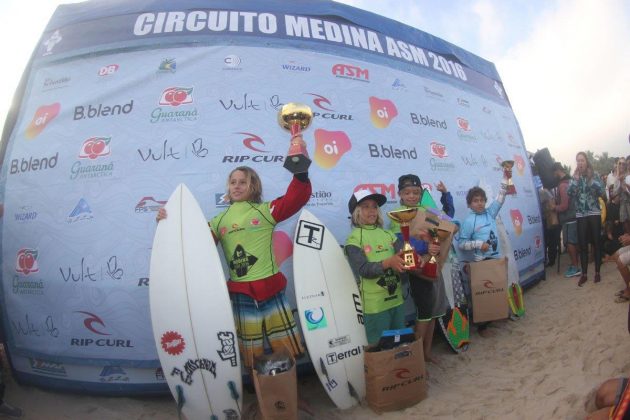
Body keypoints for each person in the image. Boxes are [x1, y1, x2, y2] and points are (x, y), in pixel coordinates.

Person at [157, 162, 312, 370]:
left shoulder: (266, 211)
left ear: (253, 187)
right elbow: (191, 244)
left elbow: (296, 198)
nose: (237, 186)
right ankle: (263, 398)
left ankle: (289, 397)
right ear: (228, 187)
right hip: (242, 296)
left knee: (287, 350)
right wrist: (167, 223)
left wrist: (300, 172)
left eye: (242, 182)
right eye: (233, 182)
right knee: (252, 355)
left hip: (272, 291)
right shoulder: (218, 221)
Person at [389, 174, 452, 363]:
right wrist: (427, 246)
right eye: (407, 192)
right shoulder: (397, 214)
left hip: (435, 266)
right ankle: (417, 358)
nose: (412, 196)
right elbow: (400, 242)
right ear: (399, 193)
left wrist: (445, 195)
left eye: (416, 192)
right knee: (424, 313)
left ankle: (426, 353)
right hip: (417, 270)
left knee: (433, 313)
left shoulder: (427, 209)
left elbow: (448, 219)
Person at [345, 190, 407, 345]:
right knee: (380, 348)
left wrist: (412, 257)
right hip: (375, 306)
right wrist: (388, 263)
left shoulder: (388, 234)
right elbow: (364, 269)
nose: (371, 210)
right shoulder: (354, 238)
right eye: (365, 206)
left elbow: (404, 257)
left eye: (374, 206)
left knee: (399, 344)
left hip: (397, 300)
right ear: (356, 212)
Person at [457, 174, 510, 336]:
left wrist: (505, 177)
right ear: (469, 204)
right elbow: (461, 243)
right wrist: (479, 244)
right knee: (483, 296)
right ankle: (482, 327)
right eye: (475, 201)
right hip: (481, 261)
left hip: (496, 258)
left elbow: (501, 197)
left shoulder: (490, 213)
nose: (479, 203)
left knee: (495, 292)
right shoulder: (468, 221)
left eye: (481, 200)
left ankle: (493, 320)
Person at [567, 151, 605, 286]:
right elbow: (569, 194)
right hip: (581, 214)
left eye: (582, 160)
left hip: (594, 212)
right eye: (578, 161)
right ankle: (584, 274)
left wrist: (591, 180)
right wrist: (575, 181)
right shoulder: (575, 177)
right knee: (582, 244)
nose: (580, 163)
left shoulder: (594, 175)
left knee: (596, 242)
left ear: (586, 161)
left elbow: (602, 192)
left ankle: (597, 272)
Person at [552, 162, 581, 277]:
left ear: (557, 171)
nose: (553, 175)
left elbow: (564, 206)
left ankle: (575, 267)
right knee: (574, 242)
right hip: (574, 217)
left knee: (570, 243)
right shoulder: (569, 181)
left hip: (569, 218)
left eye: (554, 172)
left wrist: (554, 208)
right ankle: (575, 265)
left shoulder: (563, 185)